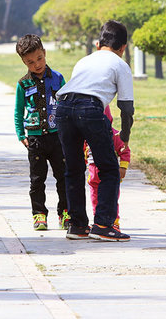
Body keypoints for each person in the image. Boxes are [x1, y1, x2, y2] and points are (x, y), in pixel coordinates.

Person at [55, 20, 134, 242]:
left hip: (63, 108)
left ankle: (78, 226)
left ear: (99, 43)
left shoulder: (84, 60)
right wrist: (124, 138)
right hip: (89, 109)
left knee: (73, 169)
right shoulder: (120, 65)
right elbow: (126, 109)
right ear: (123, 47)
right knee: (109, 169)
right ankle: (103, 224)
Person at [14, 34, 69, 231]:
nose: (37, 64)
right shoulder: (23, 84)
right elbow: (18, 111)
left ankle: (66, 213)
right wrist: (22, 135)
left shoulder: (58, 78)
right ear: (23, 62)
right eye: (30, 62)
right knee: (37, 180)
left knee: (63, 177)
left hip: (57, 138)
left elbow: (65, 104)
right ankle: (39, 215)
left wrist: (69, 131)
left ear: (44, 53)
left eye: (39, 58)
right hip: (35, 139)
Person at [84, 105, 131, 229]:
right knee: (95, 198)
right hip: (94, 177)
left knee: (111, 198)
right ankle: (98, 219)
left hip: (110, 177)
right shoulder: (86, 136)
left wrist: (123, 167)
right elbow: (84, 152)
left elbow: (125, 151)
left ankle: (114, 220)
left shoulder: (114, 135)